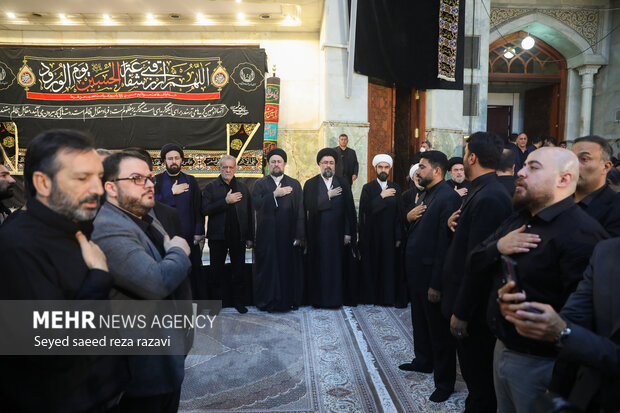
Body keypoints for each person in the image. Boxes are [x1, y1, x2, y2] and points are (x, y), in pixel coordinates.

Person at [0, 129, 129, 412]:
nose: (97, 188)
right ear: (43, 183)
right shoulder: (16, 247)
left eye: (99, 176)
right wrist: (99, 277)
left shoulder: (76, 229)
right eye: (82, 178)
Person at [474, 148, 609, 413]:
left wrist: (559, 384)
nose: (520, 172)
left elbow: (586, 320)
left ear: (563, 179)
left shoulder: (582, 235)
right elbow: (475, 260)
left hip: (541, 366)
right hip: (503, 350)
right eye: (523, 165)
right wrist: (498, 247)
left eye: (533, 168)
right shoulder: (521, 218)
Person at [93, 151, 192, 413]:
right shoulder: (107, 226)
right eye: (137, 178)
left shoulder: (140, 218)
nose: (149, 184)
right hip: (140, 374)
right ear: (111, 188)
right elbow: (155, 283)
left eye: (149, 177)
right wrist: (179, 251)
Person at [500, 238, 620, 413]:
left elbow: (568, 330)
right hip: (590, 396)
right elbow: (574, 316)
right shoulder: (606, 251)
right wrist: (524, 312)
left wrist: (564, 332)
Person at [441, 131, 512, 413]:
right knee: (474, 379)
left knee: (480, 380)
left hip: (477, 311)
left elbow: (480, 262)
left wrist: (462, 312)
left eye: (464, 151)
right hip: (469, 302)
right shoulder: (480, 190)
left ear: (472, 157)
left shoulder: (490, 196)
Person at [399, 150, 461, 403]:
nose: (417, 171)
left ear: (437, 171)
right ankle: (423, 361)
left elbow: (444, 245)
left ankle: (444, 383)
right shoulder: (426, 193)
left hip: (431, 276)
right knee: (420, 322)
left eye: (422, 167)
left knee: (439, 331)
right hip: (417, 273)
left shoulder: (447, 197)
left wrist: (437, 283)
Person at [252, 148, 305, 312]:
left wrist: (299, 235)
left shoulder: (294, 184)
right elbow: (256, 204)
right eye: (273, 162)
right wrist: (275, 194)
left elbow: (300, 211)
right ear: (269, 164)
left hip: (287, 236)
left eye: (279, 161)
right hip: (266, 237)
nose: (276, 164)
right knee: (268, 269)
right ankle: (267, 301)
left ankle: (288, 301)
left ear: (285, 164)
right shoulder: (260, 184)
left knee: (286, 268)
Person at [303, 148, 356, 307]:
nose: (328, 166)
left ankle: (334, 300)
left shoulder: (343, 183)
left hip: (337, 235)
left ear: (335, 165)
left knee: (336, 268)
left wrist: (348, 232)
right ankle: (319, 300)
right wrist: (327, 196)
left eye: (331, 163)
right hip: (317, 235)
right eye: (325, 162)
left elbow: (349, 210)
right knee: (319, 268)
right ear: (319, 164)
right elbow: (308, 205)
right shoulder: (311, 184)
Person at [202, 155, 254, 313]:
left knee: (238, 272)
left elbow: (249, 213)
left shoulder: (243, 188)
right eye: (225, 167)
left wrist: (250, 236)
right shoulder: (211, 187)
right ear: (219, 168)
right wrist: (225, 201)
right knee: (215, 273)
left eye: (231, 167)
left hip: (238, 237)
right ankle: (215, 306)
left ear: (235, 169)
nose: (228, 170)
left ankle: (238, 302)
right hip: (218, 238)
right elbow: (204, 209)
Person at [155, 143, 206, 299]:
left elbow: (198, 207)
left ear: (182, 160)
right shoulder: (156, 181)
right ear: (164, 161)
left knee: (193, 270)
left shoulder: (190, 180)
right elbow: (153, 205)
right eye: (170, 158)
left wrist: (199, 231)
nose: (174, 161)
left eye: (177, 158)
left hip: (189, 235)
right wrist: (171, 193)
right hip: (165, 235)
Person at [358, 154, 404, 306]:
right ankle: (373, 298)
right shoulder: (368, 188)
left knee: (388, 268)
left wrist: (398, 236)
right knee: (373, 266)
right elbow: (365, 210)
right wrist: (381, 197)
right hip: (373, 236)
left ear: (389, 169)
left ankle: (387, 298)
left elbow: (399, 214)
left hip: (389, 236)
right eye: (380, 167)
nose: (383, 170)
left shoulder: (396, 188)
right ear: (375, 169)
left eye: (386, 167)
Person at [571, 135, 620, 237]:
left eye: (584, 159)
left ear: (606, 167)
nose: (573, 165)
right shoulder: (555, 199)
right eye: (571, 158)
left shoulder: (616, 208)